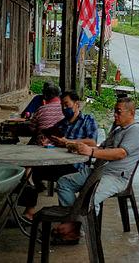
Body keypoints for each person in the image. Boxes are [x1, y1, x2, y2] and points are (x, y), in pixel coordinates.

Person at [52, 97, 139, 243]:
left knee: (90, 197)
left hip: (116, 177)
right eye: (115, 111)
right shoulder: (117, 130)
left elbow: (120, 153)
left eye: (118, 112)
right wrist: (78, 147)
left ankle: (76, 229)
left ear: (131, 113)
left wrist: (91, 152)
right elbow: (102, 148)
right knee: (64, 183)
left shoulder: (135, 132)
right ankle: (72, 222)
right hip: (98, 171)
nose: (115, 115)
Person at [21, 91, 98, 220]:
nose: (64, 108)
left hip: (76, 166)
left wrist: (68, 141)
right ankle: (29, 211)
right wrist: (46, 141)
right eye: (62, 105)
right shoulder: (62, 123)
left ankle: (68, 217)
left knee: (36, 173)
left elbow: (92, 142)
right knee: (30, 172)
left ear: (76, 104)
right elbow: (51, 136)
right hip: (58, 162)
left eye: (66, 104)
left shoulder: (87, 121)